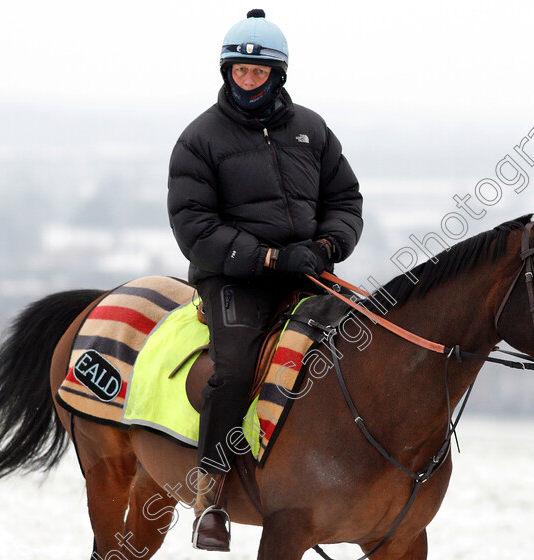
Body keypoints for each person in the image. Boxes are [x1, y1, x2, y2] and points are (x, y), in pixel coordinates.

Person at [167, 9, 363, 551]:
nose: (248, 81)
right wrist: (271, 260)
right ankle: (211, 496)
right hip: (234, 279)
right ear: (226, 71)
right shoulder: (199, 138)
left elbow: (345, 200)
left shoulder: (312, 130)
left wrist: (326, 247)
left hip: (309, 268)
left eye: (259, 73)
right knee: (232, 371)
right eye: (239, 71)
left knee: (365, 343)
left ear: (278, 74)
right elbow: (193, 226)